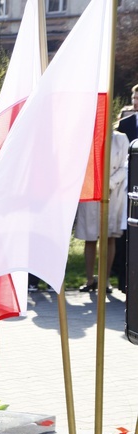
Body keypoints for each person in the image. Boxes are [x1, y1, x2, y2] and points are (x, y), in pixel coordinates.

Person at [74, 129, 130, 293]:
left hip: (113, 192)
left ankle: (105, 281)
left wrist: (109, 183)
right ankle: (90, 279)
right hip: (91, 192)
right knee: (90, 237)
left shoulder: (120, 138)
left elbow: (125, 166)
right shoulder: (85, 135)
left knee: (109, 236)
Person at [114, 83, 138, 292]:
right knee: (126, 232)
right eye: (134, 98)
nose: (136, 102)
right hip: (126, 184)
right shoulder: (125, 123)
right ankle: (123, 280)